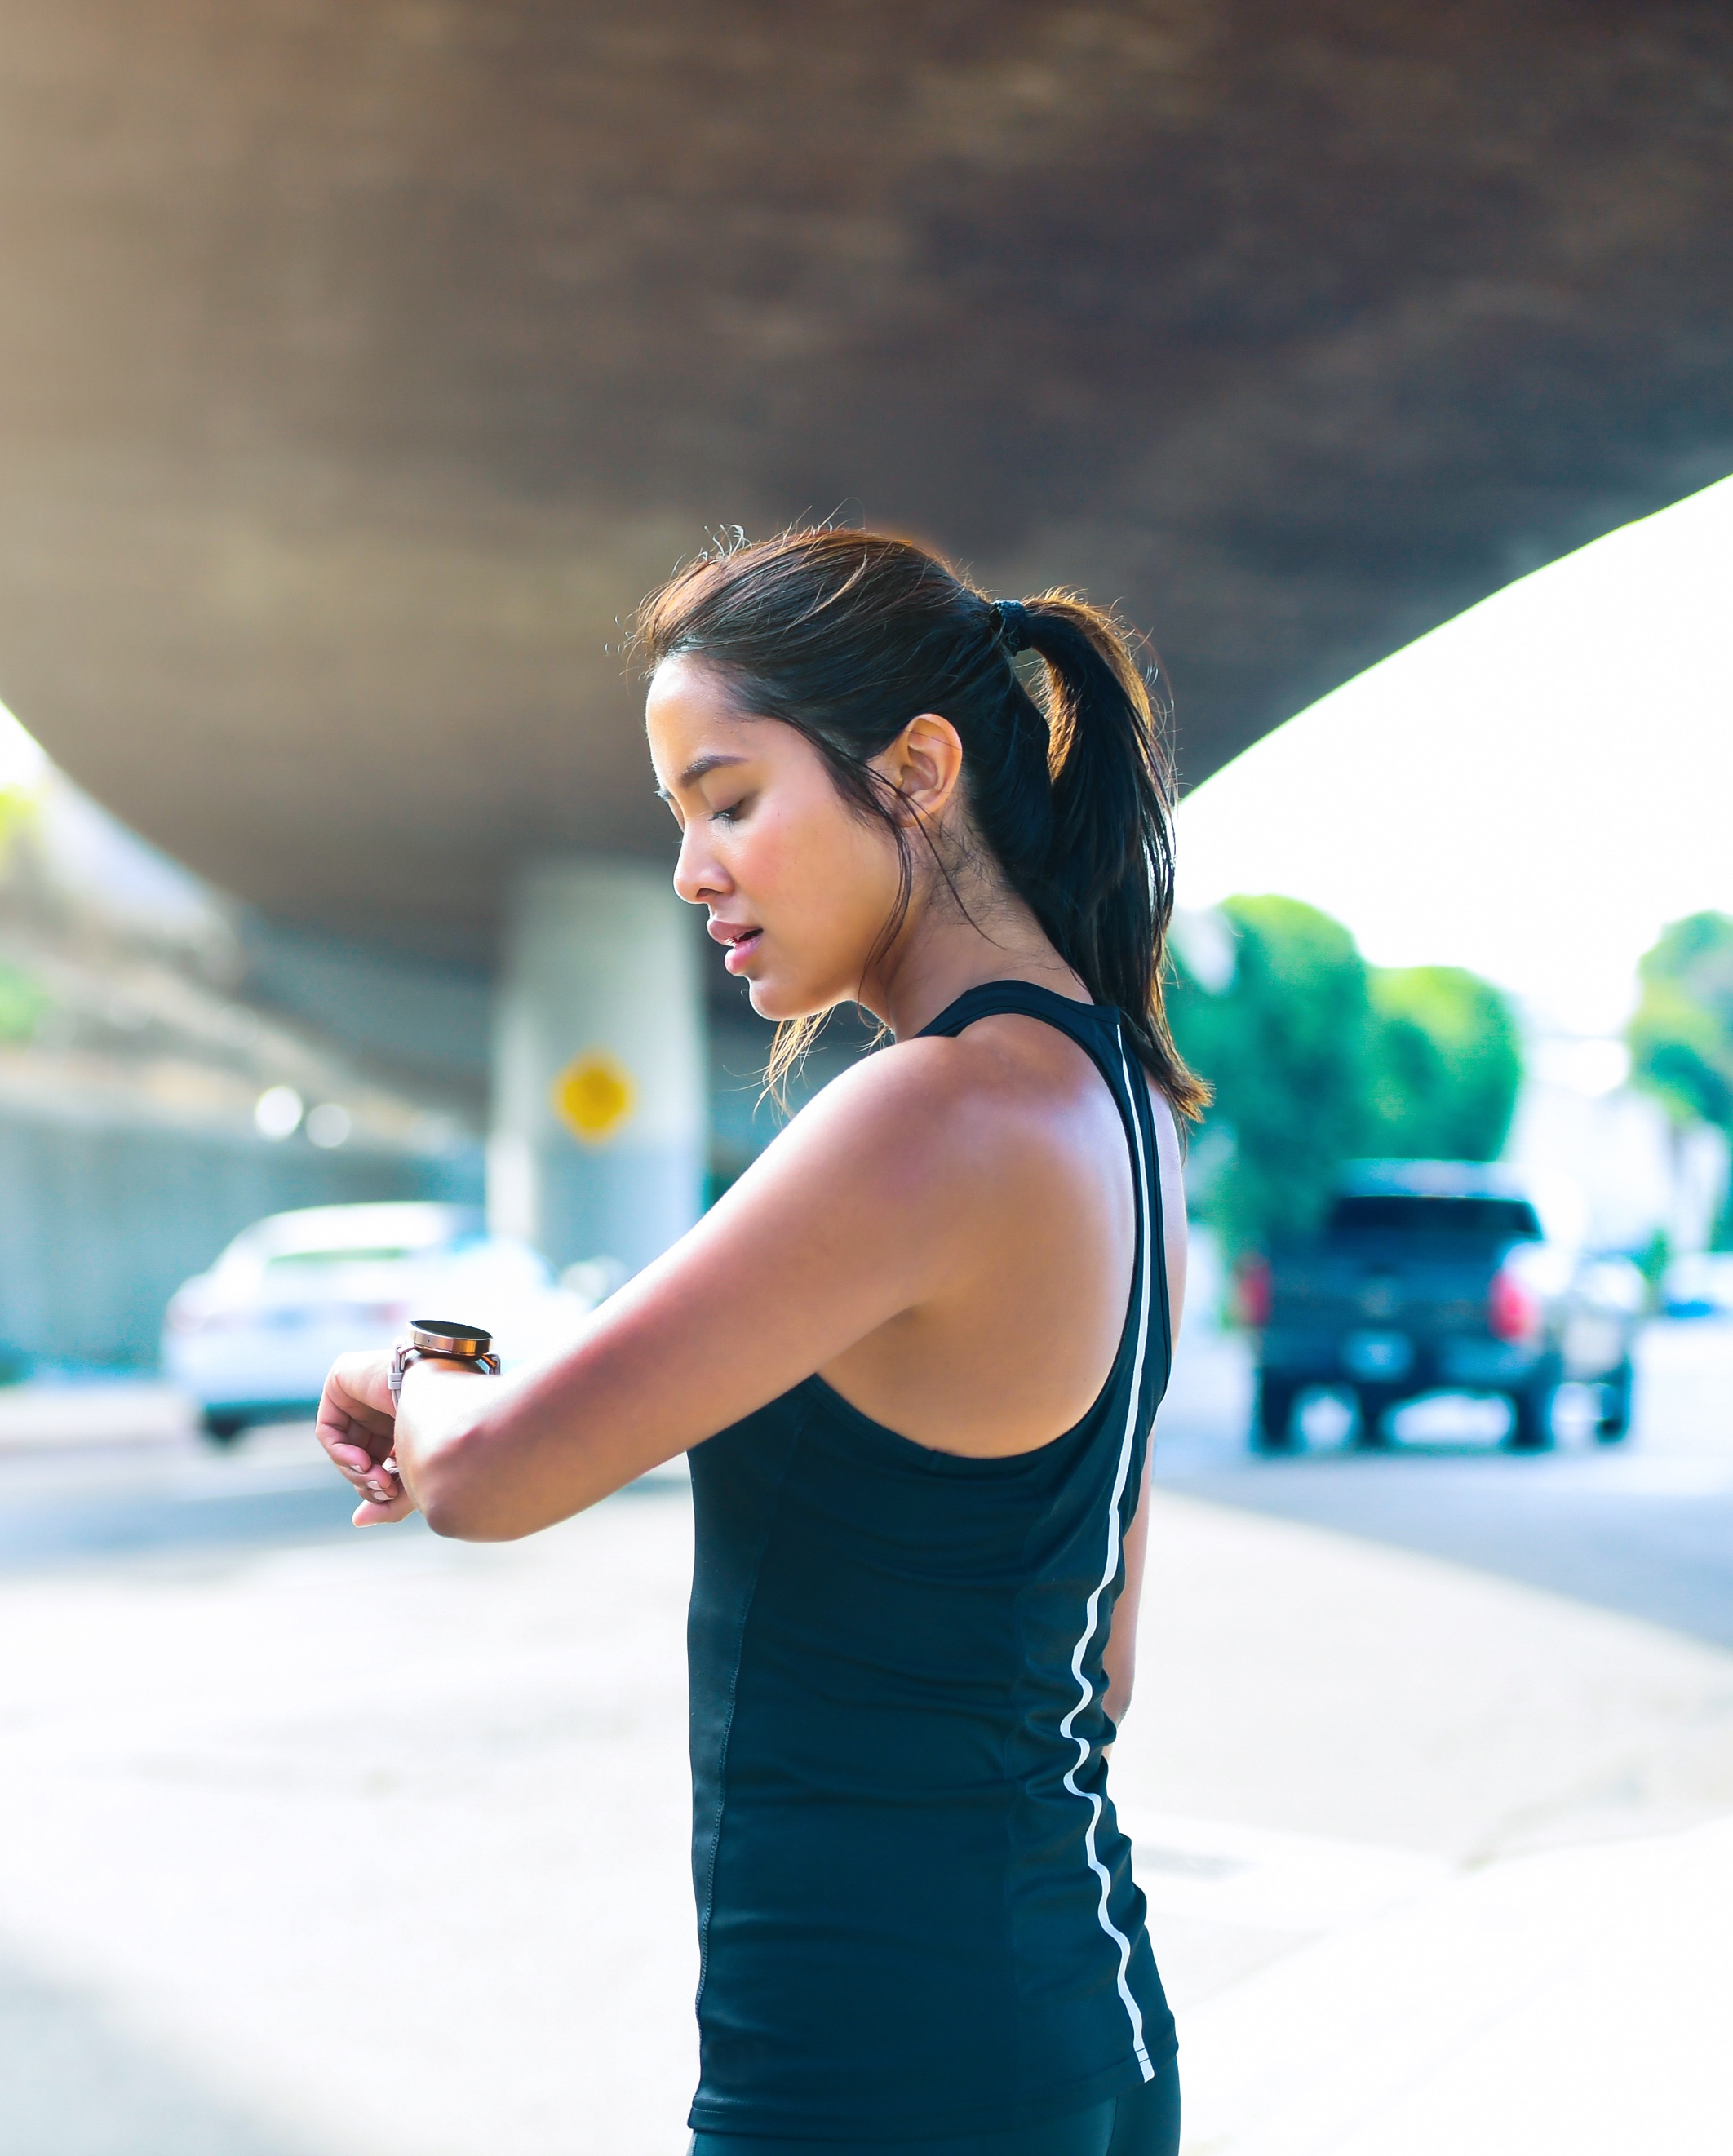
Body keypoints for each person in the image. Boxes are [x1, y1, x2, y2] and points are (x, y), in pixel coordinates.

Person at [316, 526, 1200, 2156]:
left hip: (882, 2072)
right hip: (1076, 2033)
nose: (692, 868)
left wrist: (421, 1354)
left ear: (916, 771)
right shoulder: (1122, 1105)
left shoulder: (928, 1115)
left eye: (730, 799)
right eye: (680, 820)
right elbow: (1103, 1660)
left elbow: (491, 1470)